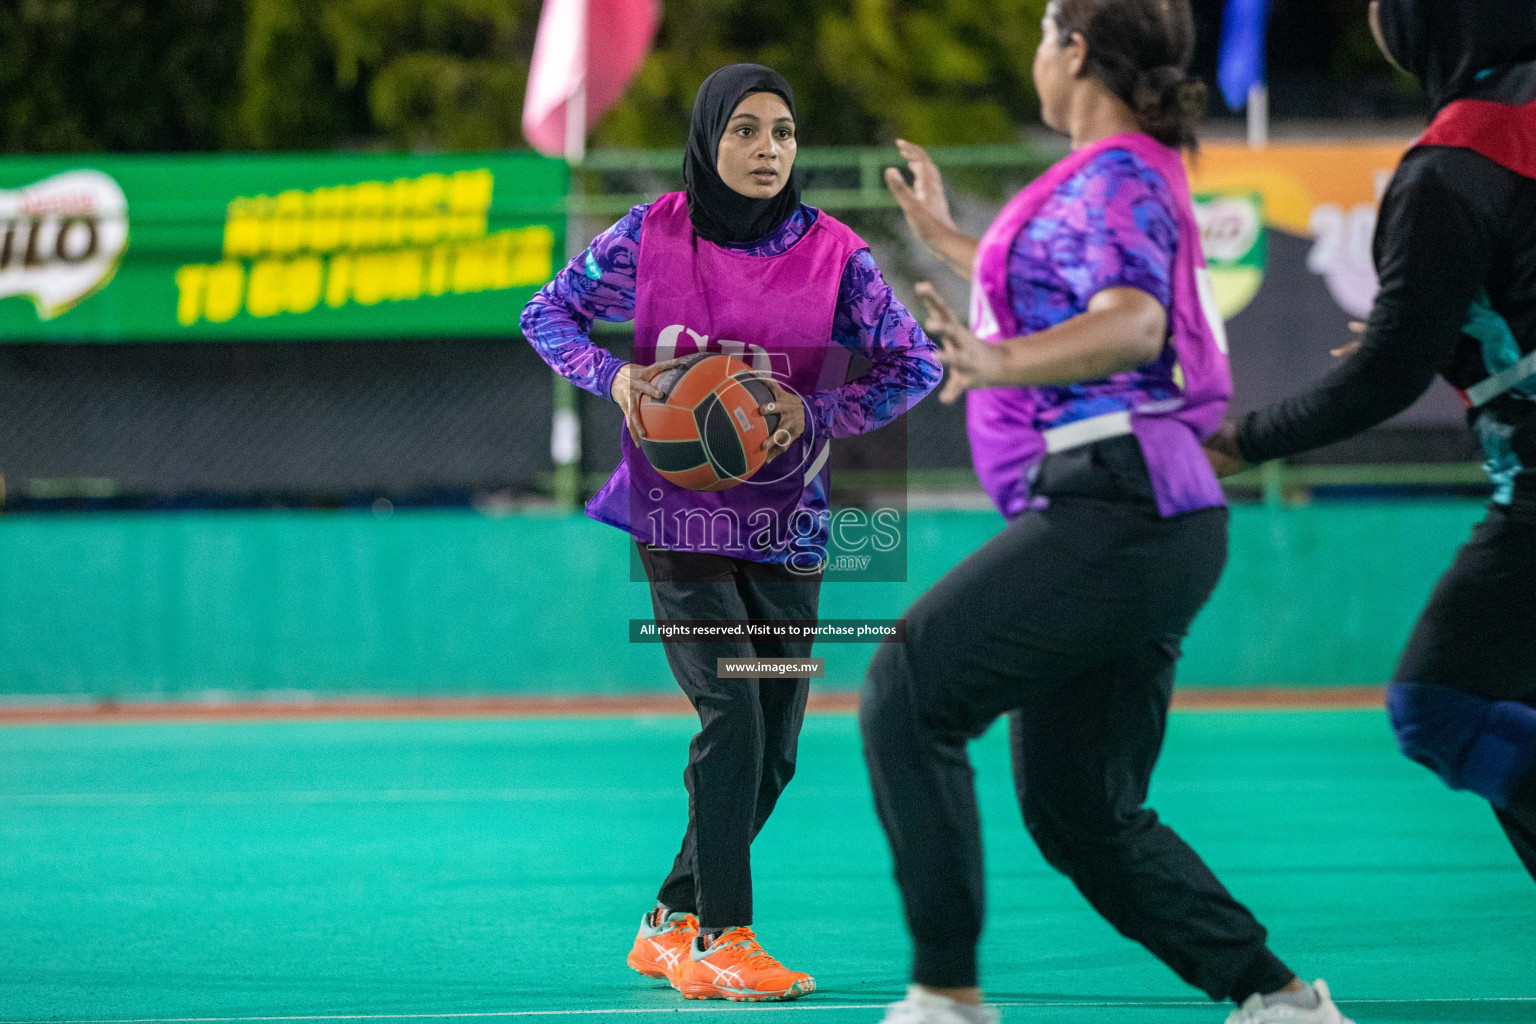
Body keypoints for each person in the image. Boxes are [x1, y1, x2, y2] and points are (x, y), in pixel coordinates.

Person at [860, 3, 1351, 1024]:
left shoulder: (1121, 172)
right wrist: (951, 240)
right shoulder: (1109, 178)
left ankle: (945, 996)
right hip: (1141, 515)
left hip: (1122, 506)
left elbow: (1130, 321)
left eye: (1044, 33)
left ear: (1074, 49)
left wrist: (994, 359)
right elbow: (1056, 282)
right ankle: (1279, 1000)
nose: (1037, 55)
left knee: (909, 684)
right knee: (1081, 809)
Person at [521, 64, 941, 1002]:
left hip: (789, 524)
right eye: (745, 130)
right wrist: (617, 378)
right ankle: (723, 939)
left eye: (783, 133)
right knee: (733, 713)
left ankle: (667, 924)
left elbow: (916, 365)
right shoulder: (652, 234)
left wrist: (818, 414)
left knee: (775, 750)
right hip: (679, 518)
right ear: (710, 139)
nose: (766, 150)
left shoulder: (836, 255)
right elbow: (544, 313)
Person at [1204, 0, 1536, 880]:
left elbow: (1387, 373)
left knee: (1442, 704)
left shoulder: (1460, 158)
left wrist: (1241, 441)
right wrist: (1435, 330)